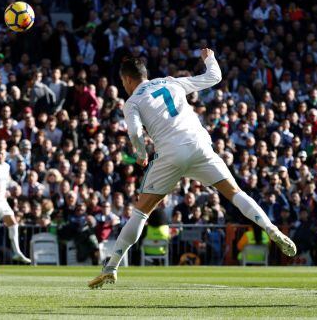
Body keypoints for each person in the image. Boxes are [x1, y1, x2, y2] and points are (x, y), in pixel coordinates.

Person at [88, 49, 296, 289]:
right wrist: (210, 58)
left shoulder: (132, 101)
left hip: (170, 153)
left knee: (141, 212)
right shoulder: (171, 82)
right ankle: (271, 228)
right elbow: (214, 77)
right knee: (235, 193)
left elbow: (135, 132)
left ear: (126, 80)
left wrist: (141, 154)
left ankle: (112, 266)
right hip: (200, 146)